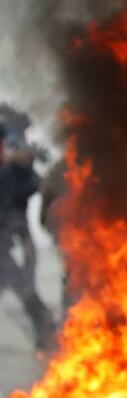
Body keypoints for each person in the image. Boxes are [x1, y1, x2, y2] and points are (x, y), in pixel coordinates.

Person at [0, 110, 55, 352]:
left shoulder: (19, 169)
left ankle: (47, 335)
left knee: (25, 288)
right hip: (9, 238)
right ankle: (46, 333)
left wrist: (24, 158)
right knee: (22, 287)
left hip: (16, 236)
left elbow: (34, 180)